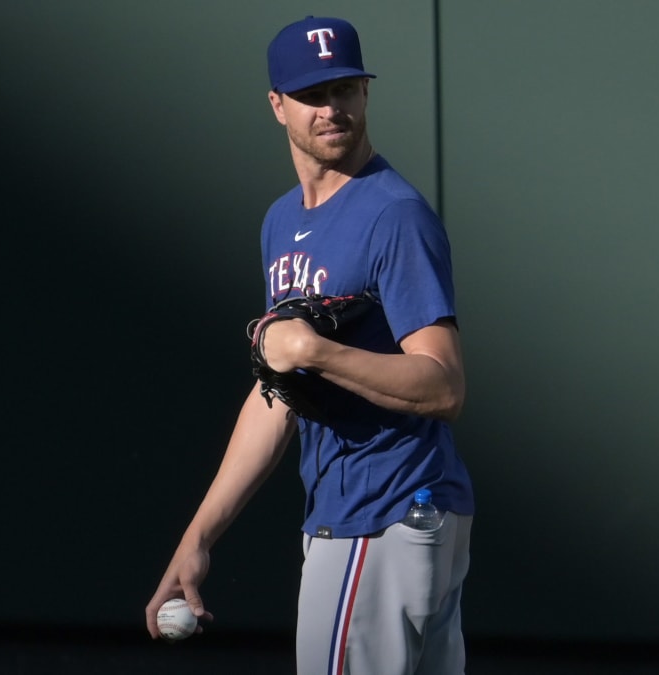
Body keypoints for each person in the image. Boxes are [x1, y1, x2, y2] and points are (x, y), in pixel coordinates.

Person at [144, 15, 475, 675]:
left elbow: (443, 385)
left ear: (365, 94)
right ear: (278, 105)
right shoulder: (281, 222)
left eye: (346, 89)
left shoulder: (393, 215)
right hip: (378, 514)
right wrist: (198, 537)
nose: (333, 107)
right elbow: (278, 393)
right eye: (314, 93)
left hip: (382, 507)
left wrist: (316, 351)